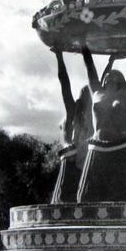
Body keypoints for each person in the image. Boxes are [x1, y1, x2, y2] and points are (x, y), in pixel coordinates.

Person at [77, 46, 126, 202]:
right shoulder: (96, 92)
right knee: (87, 197)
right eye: (108, 74)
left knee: (124, 198)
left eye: (115, 74)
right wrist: (84, 47)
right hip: (96, 147)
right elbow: (90, 68)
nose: (110, 75)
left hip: (120, 148)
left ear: (121, 81)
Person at [50, 48, 93, 203]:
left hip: (81, 168)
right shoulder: (71, 114)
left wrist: (111, 62)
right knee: (65, 203)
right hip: (71, 165)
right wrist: (59, 57)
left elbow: (96, 82)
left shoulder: (90, 121)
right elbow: (65, 85)